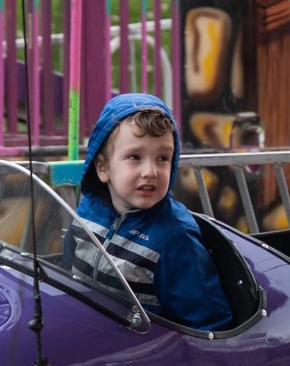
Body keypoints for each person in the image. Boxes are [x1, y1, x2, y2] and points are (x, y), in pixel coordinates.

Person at [70, 93, 232, 332]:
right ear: (103, 167)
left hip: (140, 355)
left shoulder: (175, 236)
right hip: (82, 333)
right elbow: (65, 274)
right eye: (135, 157)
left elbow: (207, 325)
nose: (151, 171)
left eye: (163, 158)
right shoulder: (87, 210)